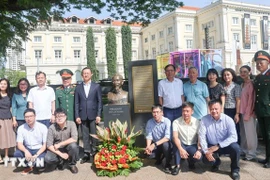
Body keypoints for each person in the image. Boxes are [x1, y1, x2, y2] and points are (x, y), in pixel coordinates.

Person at [199, 99, 240, 180]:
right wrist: (206, 151)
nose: (214, 111)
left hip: (225, 145)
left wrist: (219, 145)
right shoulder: (204, 120)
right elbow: (202, 137)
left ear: (221, 109)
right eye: (211, 109)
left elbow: (234, 137)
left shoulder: (228, 120)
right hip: (211, 146)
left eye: (216, 109)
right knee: (205, 160)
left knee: (236, 148)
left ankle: (235, 170)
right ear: (209, 109)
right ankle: (216, 163)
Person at [75, 67, 102, 164]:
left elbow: (99, 101)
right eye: (84, 73)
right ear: (82, 75)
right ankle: (86, 153)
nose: (86, 75)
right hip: (82, 115)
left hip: (93, 115)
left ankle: (95, 153)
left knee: (94, 135)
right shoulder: (78, 87)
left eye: (87, 73)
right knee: (85, 135)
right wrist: (77, 116)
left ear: (91, 74)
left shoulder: (96, 86)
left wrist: (99, 114)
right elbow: (76, 103)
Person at [45, 107, 79, 174]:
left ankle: (72, 165)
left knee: (74, 146)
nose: (59, 118)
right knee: (47, 158)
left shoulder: (71, 124)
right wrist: (61, 154)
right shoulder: (51, 128)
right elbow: (49, 145)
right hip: (57, 149)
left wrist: (60, 144)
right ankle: (61, 161)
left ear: (66, 116)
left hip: (67, 147)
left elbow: (74, 138)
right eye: (57, 116)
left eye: (61, 116)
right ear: (55, 118)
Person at [14, 108, 47, 175]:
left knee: (41, 161)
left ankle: (35, 165)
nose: (29, 119)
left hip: (39, 150)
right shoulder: (21, 128)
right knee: (17, 154)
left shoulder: (42, 127)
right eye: (26, 117)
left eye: (31, 116)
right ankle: (28, 166)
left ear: (35, 116)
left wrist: (36, 155)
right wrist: (26, 151)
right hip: (28, 148)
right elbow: (19, 144)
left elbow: (45, 144)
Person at [171, 102, 202, 175]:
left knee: (199, 157)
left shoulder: (197, 122)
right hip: (182, 144)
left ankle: (191, 161)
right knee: (175, 142)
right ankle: (177, 166)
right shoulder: (176, 122)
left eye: (187, 111)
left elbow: (200, 137)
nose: (185, 113)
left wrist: (199, 150)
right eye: (183, 111)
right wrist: (181, 149)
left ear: (192, 111)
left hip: (192, 145)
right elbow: (175, 137)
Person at [253, 50, 270, 168]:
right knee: (265, 136)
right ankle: (267, 158)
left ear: (268, 62)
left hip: (269, 111)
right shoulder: (258, 77)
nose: (259, 65)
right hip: (260, 110)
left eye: (261, 62)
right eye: (257, 63)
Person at [145, 104, 172, 173]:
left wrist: (153, 145)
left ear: (162, 113)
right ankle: (159, 158)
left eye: (157, 112)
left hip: (165, 143)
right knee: (149, 155)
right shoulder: (149, 122)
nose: (155, 114)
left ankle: (167, 164)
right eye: (154, 112)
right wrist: (148, 147)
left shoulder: (167, 121)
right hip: (156, 143)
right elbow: (149, 136)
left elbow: (167, 137)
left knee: (165, 145)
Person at [239, 65, 257, 161]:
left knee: (250, 134)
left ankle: (251, 153)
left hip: (248, 113)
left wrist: (248, 113)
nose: (243, 73)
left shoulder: (251, 84)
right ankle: (244, 151)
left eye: (245, 71)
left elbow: (251, 100)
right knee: (244, 133)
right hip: (242, 111)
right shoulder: (242, 84)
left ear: (249, 72)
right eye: (241, 71)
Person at [221, 68, 241, 145]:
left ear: (232, 76)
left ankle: (237, 147)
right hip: (225, 110)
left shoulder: (236, 86)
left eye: (228, 75)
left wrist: (237, 113)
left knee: (235, 129)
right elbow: (222, 98)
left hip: (233, 110)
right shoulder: (223, 86)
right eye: (224, 75)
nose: (226, 77)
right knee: (225, 130)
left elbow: (238, 100)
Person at [0, 78, 16, 164]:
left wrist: (14, 120)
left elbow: (13, 108)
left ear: (7, 85)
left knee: (6, 137)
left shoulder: (10, 95)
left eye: (5, 84)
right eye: (1, 83)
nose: (3, 85)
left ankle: (6, 155)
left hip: (8, 118)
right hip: (0, 119)